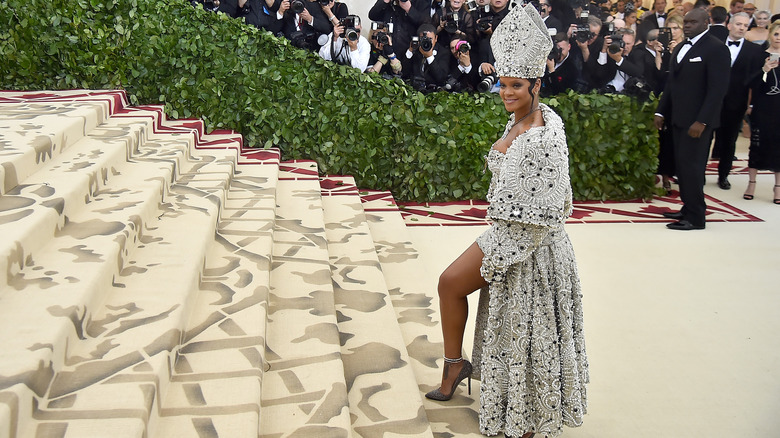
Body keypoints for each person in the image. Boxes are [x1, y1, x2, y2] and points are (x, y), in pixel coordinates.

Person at [425, 4, 588, 438]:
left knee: (522, 327)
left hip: (530, 245)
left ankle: (527, 414)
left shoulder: (546, 135)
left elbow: (552, 208)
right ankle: (455, 364)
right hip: (505, 231)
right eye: (502, 83)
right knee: (451, 285)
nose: (505, 92)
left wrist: (499, 256)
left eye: (516, 86)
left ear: (537, 84)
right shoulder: (525, 117)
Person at [654, 8, 731, 230]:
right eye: (685, 22)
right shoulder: (680, 47)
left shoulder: (716, 49)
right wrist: (661, 111)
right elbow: (672, 85)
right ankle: (687, 207)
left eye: (692, 22)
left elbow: (717, 90)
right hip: (678, 119)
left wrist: (703, 121)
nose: (687, 25)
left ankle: (696, 217)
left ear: (706, 22)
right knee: (682, 166)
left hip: (697, 123)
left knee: (693, 169)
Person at [711, 12, 764, 189]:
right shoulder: (714, 45)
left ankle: (723, 176)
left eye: (745, 25)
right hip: (711, 101)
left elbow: (756, 80)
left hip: (736, 102)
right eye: (739, 24)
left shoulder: (754, 51)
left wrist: (751, 104)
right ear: (729, 25)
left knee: (729, 141)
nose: (742, 28)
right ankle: (697, 176)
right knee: (704, 139)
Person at [743, 20, 780, 204]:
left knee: (778, 147)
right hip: (763, 106)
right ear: (770, 35)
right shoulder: (759, 55)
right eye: (776, 34)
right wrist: (764, 70)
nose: (779, 38)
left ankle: (778, 187)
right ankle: (751, 183)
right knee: (756, 145)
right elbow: (750, 82)